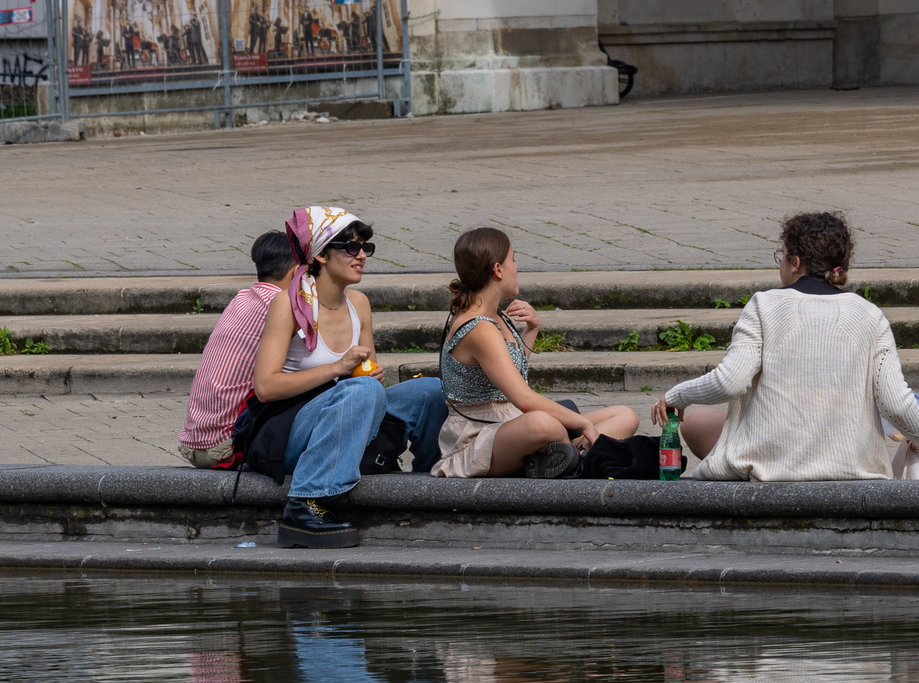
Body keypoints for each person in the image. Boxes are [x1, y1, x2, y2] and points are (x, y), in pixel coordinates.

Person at [651, 212, 919, 480]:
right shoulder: (870, 315)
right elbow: (895, 402)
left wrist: (678, 395)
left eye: (782, 256)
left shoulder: (765, 305)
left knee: (698, 420)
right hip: (852, 470)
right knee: (703, 420)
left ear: (795, 262)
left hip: (772, 471)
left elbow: (730, 382)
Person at [250, 207, 447, 546]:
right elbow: (265, 387)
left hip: (348, 412)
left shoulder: (360, 303)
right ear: (322, 255)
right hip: (292, 427)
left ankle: (432, 484)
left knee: (430, 390)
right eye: (350, 248)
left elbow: (368, 382)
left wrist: (373, 379)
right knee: (362, 392)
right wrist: (337, 370)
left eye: (365, 249)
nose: (361, 257)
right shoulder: (289, 304)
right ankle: (305, 503)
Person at [433, 228, 640, 478]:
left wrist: (533, 329)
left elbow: (510, 372)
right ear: (498, 270)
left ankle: (563, 457)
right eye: (513, 259)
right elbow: (525, 399)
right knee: (543, 423)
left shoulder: (495, 315)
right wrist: (583, 424)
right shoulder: (478, 327)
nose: (517, 266)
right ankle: (572, 455)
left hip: (511, 422)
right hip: (478, 436)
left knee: (624, 415)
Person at [177, 231, 298, 468]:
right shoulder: (282, 308)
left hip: (193, 444)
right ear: (296, 272)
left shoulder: (242, 298)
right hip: (225, 447)